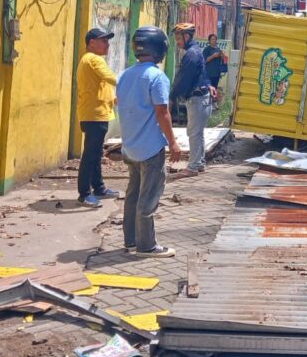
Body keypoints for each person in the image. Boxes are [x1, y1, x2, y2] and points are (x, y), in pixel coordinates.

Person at [116, 27, 182, 257]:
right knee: (148, 196)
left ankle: (131, 241)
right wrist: (172, 142)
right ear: (160, 49)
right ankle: (146, 246)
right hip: (150, 148)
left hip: (130, 147)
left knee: (133, 194)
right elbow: (162, 112)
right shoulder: (156, 76)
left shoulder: (124, 75)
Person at [75, 28, 121, 208]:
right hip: (95, 115)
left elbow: (102, 85)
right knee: (90, 154)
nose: (107, 44)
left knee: (95, 153)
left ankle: (99, 188)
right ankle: (84, 193)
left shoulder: (88, 60)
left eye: (107, 41)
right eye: (103, 41)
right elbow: (111, 78)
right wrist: (132, 83)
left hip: (94, 113)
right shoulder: (94, 59)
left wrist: (113, 98)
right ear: (92, 43)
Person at [171, 23, 214, 174]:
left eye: (179, 38)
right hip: (201, 97)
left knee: (194, 133)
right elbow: (203, 73)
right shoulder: (195, 51)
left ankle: (193, 166)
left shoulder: (191, 54)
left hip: (197, 99)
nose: (177, 42)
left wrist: (172, 96)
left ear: (187, 36)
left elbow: (183, 79)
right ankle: (199, 163)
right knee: (198, 132)